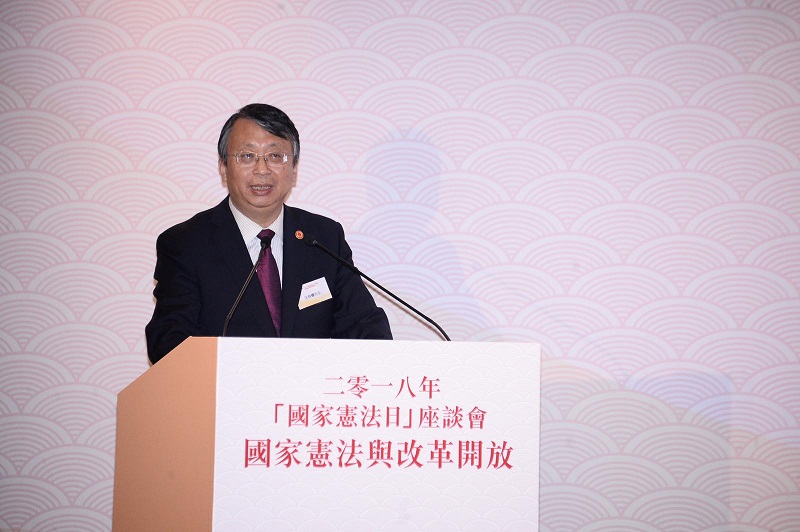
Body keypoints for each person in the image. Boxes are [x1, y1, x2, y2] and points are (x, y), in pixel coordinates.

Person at [145, 103, 392, 364]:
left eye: (275, 156)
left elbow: (364, 326)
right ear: (223, 167)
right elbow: (169, 342)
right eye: (247, 156)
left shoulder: (323, 238)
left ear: (294, 168)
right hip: (227, 387)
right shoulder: (186, 244)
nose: (262, 170)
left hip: (306, 388)